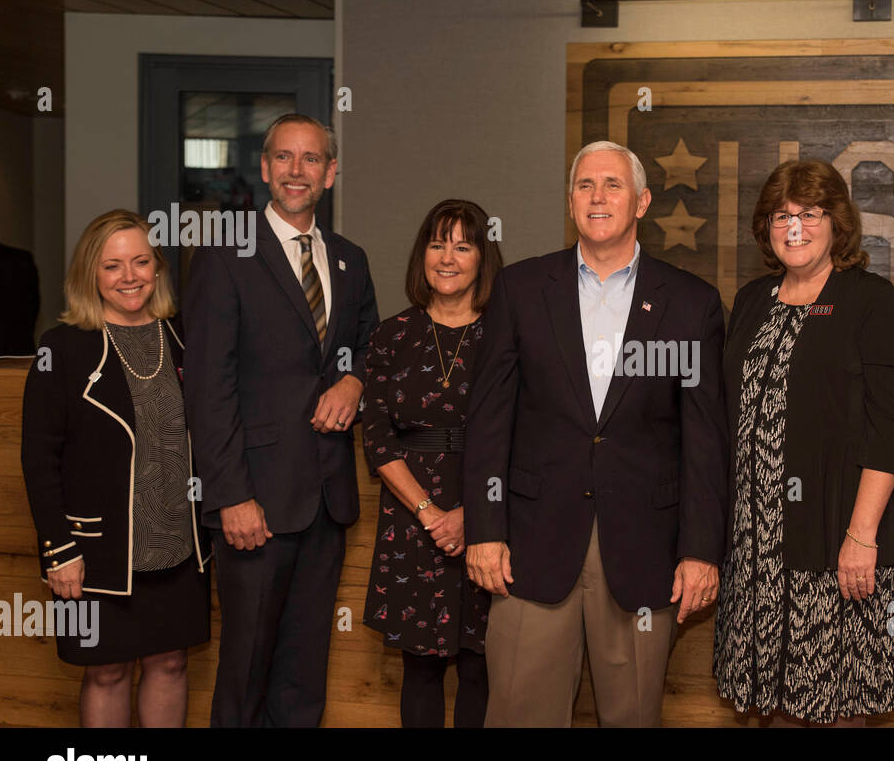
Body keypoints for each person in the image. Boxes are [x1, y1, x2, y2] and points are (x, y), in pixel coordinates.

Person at [462, 141, 727, 727]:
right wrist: (484, 528)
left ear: (643, 202)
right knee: (519, 714)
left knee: (633, 716)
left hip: (645, 549)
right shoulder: (522, 290)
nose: (598, 196)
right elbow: (488, 422)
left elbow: (704, 440)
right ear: (570, 200)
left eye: (612, 184)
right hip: (529, 547)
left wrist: (700, 550)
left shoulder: (690, 303)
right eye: (585, 185)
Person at [184, 113, 379, 727]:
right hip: (256, 503)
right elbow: (208, 388)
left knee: (303, 667)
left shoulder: (349, 259)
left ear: (332, 171)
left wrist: (353, 380)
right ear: (265, 168)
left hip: (326, 500)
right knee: (246, 668)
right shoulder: (225, 256)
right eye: (285, 158)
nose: (298, 171)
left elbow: (373, 346)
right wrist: (231, 496)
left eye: (312, 158)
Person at [713, 160, 894, 726]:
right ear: (766, 227)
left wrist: (862, 536)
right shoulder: (753, 300)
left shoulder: (870, 300)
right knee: (771, 711)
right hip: (755, 553)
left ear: (837, 224)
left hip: (837, 545)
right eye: (782, 215)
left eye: (811, 213)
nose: (795, 226)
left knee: (831, 708)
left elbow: (890, 428)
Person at [21, 209, 210, 726]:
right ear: (90, 274)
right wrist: (58, 551)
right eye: (112, 266)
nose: (130, 277)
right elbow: (39, 459)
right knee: (106, 672)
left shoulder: (184, 336)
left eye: (141, 262)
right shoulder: (60, 348)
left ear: (158, 268)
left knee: (170, 662)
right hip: (96, 549)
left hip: (178, 542)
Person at [361, 199, 501, 727]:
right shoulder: (392, 335)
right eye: (437, 244)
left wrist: (469, 514)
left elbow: (524, 435)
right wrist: (429, 512)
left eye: (463, 245)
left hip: (488, 515)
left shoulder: (506, 334)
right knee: (420, 668)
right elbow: (377, 437)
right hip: (411, 522)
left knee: (479, 665)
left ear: (482, 258)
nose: (447, 257)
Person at [0, 214, 41, 356]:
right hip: (19, 350)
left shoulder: (20, 261)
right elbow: (33, 306)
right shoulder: (21, 260)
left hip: (15, 349)